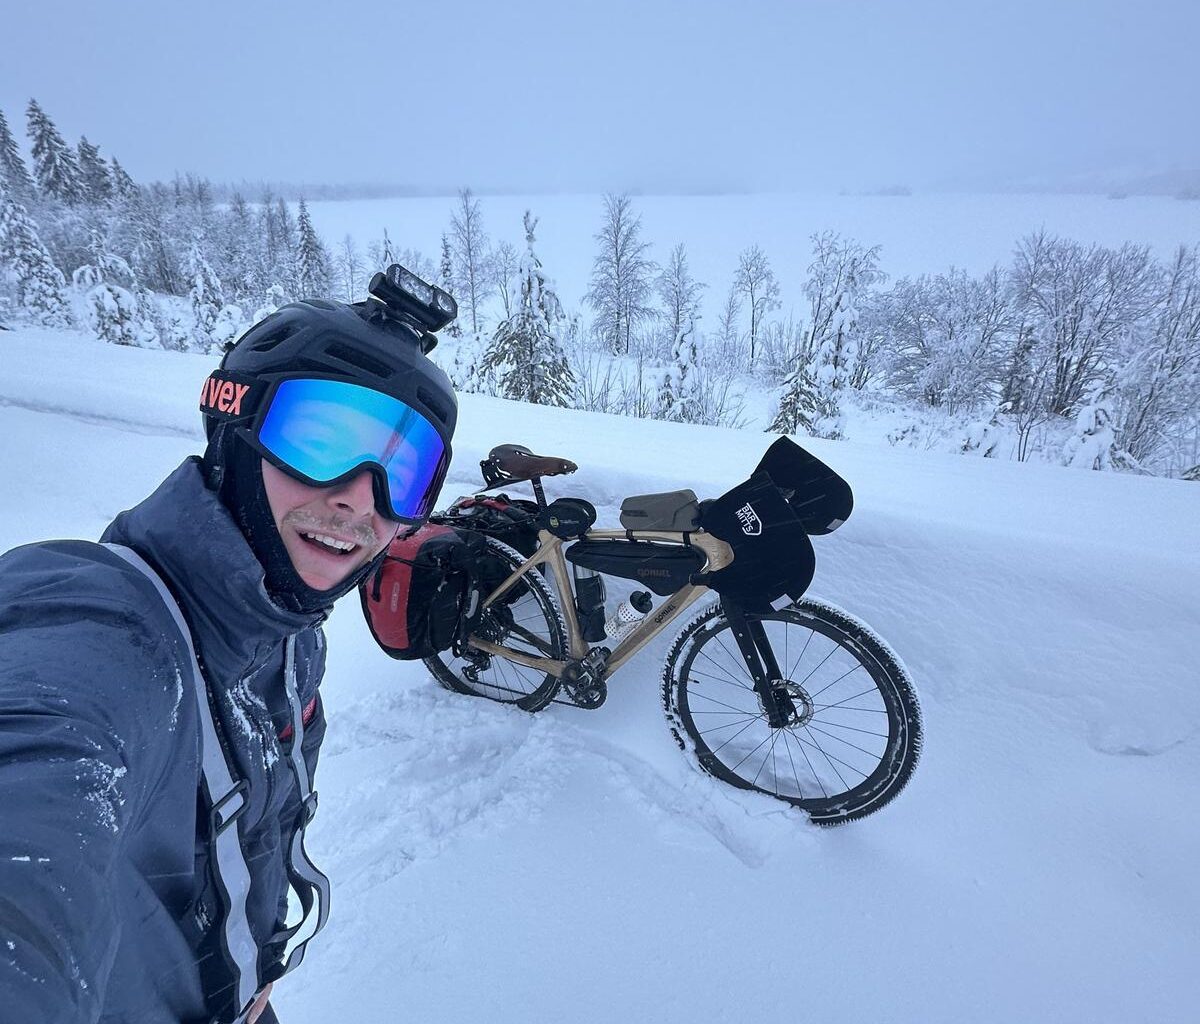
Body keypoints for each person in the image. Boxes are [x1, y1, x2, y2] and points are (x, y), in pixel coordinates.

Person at [0, 272, 459, 1023]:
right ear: (233, 425)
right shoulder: (105, 631)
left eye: (401, 475)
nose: (360, 498)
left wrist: (255, 959)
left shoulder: (285, 632)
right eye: (321, 439)